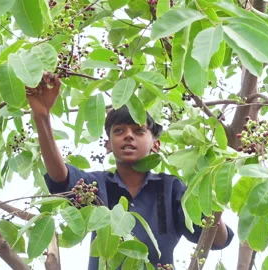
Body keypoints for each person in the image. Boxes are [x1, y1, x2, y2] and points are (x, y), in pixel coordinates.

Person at [26, 73, 234, 269]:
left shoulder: (172, 188)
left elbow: (217, 239)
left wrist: (212, 194)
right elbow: (60, 177)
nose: (128, 136)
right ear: (108, 145)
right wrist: (42, 117)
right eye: (119, 131)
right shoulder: (95, 186)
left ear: (156, 145)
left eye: (138, 131)